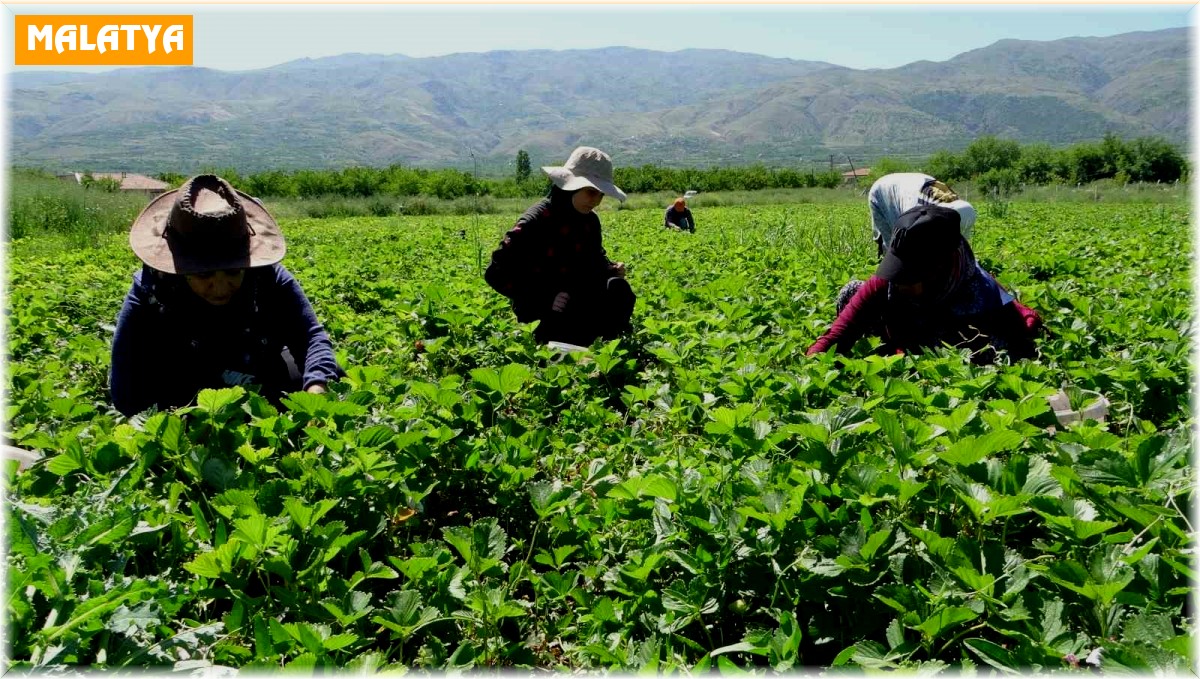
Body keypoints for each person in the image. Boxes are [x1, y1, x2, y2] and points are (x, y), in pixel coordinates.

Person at [110, 174, 344, 417]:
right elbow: (126, 391)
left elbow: (309, 336)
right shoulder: (151, 292)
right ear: (179, 269)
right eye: (204, 276)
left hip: (257, 373)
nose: (221, 288)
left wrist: (317, 388)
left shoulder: (268, 277)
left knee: (328, 375)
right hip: (186, 393)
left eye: (233, 272)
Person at [808, 204, 1041, 361]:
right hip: (904, 340)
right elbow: (838, 335)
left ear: (941, 268)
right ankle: (896, 354)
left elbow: (1021, 344)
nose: (899, 282)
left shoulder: (982, 295)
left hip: (949, 351)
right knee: (853, 292)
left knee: (990, 349)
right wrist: (810, 367)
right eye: (898, 270)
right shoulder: (888, 282)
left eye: (911, 275)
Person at [484, 146, 635, 347]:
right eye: (591, 192)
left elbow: (593, 260)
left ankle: (605, 349)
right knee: (567, 337)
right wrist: (544, 298)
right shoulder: (536, 220)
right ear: (569, 186)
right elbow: (496, 273)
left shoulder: (589, 222)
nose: (596, 201)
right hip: (542, 308)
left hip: (576, 298)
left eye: (601, 195)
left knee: (619, 291)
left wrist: (609, 269)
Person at [869, 172, 976, 258]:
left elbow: (959, 247)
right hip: (884, 191)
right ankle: (888, 281)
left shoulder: (961, 209)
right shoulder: (916, 215)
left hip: (914, 185)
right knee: (895, 247)